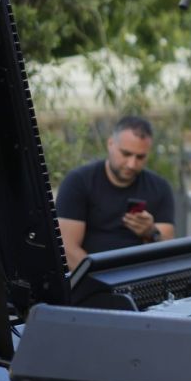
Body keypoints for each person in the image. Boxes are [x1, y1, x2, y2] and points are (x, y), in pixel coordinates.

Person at [56, 116, 175, 272]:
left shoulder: (159, 187)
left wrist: (151, 232)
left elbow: (168, 250)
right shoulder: (78, 181)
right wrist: (103, 280)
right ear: (110, 143)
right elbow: (67, 249)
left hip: (142, 275)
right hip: (91, 277)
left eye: (140, 157)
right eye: (126, 154)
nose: (132, 164)